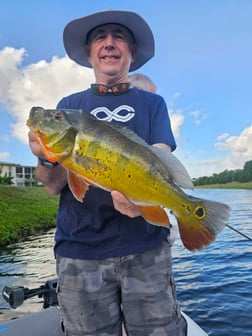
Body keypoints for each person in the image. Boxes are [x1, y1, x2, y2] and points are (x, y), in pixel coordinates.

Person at [28, 9, 187, 336]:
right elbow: (54, 186)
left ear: (132, 52)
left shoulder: (152, 105)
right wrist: (45, 159)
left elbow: (160, 157)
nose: (109, 43)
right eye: (100, 37)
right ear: (89, 54)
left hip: (146, 248)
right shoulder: (68, 107)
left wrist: (141, 200)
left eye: (119, 37)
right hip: (80, 251)